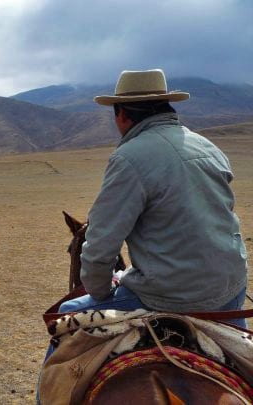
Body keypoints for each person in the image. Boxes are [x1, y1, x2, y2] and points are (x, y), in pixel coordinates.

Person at [58, 69, 249, 327]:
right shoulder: (207, 146)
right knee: (239, 358)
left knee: (67, 312)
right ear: (166, 107)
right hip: (231, 287)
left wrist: (101, 293)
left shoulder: (128, 158)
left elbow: (101, 243)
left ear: (122, 114)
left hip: (170, 297)